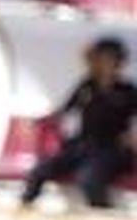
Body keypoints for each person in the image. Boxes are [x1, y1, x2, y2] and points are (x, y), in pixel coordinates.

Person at [21, 36, 137, 209]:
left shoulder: (127, 90)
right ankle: (24, 206)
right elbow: (64, 111)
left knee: (89, 177)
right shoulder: (87, 86)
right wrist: (38, 121)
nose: (103, 64)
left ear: (118, 62)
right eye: (100, 59)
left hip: (111, 149)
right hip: (82, 145)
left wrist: (132, 137)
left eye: (109, 59)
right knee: (41, 170)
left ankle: (102, 216)